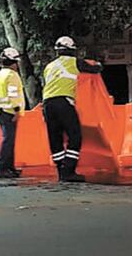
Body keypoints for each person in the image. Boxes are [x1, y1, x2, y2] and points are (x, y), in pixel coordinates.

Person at [42, 36, 103, 183]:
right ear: (72, 50)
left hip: (47, 104)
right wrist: (99, 63)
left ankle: (61, 170)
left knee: (55, 137)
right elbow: (95, 69)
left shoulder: (49, 67)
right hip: (63, 102)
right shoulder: (74, 62)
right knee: (75, 135)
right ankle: (69, 170)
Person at [0, 47, 25, 179]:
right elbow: (13, 94)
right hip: (10, 112)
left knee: (9, 140)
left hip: (1, 111)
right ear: (13, 62)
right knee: (8, 141)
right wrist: (17, 110)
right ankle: (3, 168)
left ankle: (9, 168)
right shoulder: (12, 75)